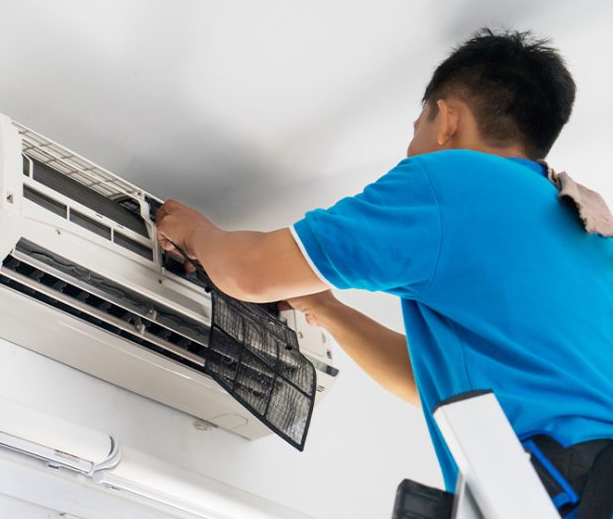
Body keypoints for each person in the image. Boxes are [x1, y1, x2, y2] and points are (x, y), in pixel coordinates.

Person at [155, 29, 613, 518]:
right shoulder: (591, 235)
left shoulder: (451, 180)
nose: (411, 149)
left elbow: (249, 272)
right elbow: (428, 384)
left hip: (558, 491)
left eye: (417, 126)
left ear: (448, 120)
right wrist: (324, 307)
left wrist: (196, 232)